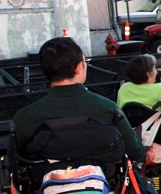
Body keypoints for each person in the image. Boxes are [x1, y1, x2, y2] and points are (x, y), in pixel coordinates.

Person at [13, 37, 147, 162]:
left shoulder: (24, 117)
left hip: (44, 183)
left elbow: (13, 164)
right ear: (78, 67)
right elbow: (136, 152)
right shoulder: (108, 109)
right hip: (104, 183)